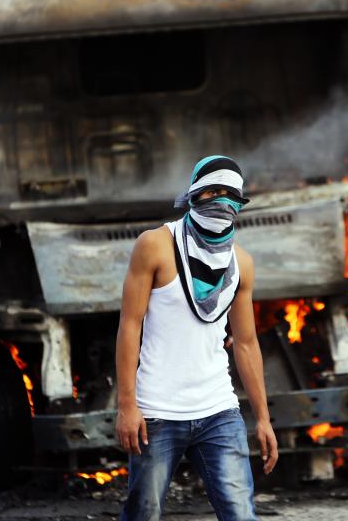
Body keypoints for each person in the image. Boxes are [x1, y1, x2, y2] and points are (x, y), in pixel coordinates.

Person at [115, 155, 278, 521]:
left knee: (240, 515)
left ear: (239, 203)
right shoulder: (155, 245)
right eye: (211, 192)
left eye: (228, 194)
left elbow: (247, 343)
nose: (220, 201)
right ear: (193, 194)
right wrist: (127, 405)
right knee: (144, 514)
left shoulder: (241, 263)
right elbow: (129, 325)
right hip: (157, 412)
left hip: (218, 410)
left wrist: (264, 418)